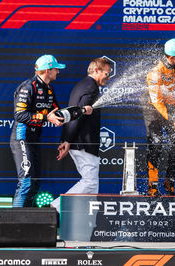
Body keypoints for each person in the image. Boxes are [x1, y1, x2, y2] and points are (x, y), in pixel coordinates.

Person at [51, 57, 112, 212]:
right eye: (107, 73)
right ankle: (55, 208)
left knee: (92, 188)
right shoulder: (90, 88)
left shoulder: (83, 84)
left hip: (80, 142)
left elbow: (73, 113)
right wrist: (68, 140)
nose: (108, 77)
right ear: (97, 70)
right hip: (83, 143)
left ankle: (82, 225)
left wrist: (67, 139)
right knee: (90, 183)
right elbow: (77, 115)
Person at [142, 38, 175, 196]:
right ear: (172, 57)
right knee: (156, 143)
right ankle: (152, 186)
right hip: (152, 105)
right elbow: (157, 102)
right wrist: (173, 120)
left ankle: (169, 181)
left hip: (170, 101)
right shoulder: (155, 73)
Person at [10, 54, 66, 207]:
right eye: (56, 69)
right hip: (22, 137)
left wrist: (78, 111)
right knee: (26, 180)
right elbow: (19, 115)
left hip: (34, 139)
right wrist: (46, 118)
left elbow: (57, 112)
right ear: (47, 70)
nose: (58, 72)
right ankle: (14, 226)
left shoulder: (49, 89)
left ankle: (28, 224)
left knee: (35, 183)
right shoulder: (28, 87)